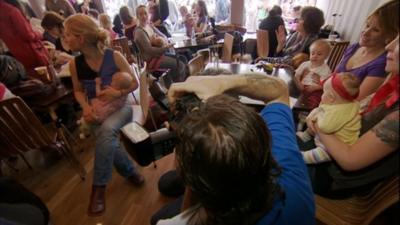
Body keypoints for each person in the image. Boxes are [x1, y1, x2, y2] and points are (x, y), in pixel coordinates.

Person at [154, 71, 315, 224]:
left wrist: (189, 167)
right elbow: (279, 91)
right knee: (165, 183)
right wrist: (221, 81)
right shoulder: (290, 173)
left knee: (157, 217)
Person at [64, 14, 145, 216]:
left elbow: (135, 83)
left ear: (81, 38)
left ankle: (98, 188)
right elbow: (78, 91)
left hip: (122, 108)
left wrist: (117, 93)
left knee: (107, 130)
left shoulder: (114, 56)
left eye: (68, 35)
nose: (65, 40)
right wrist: (84, 106)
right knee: (105, 134)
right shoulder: (75, 64)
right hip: (95, 111)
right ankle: (129, 170)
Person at [304, 32, 399, 199]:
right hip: (330, 154)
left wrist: (318, 122)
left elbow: (349, 160)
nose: (389, 45)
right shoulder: (391, 85)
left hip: (334, 179)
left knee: (272, 148)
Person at [334, 0, 399, 101]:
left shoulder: (382, 63)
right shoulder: (354, 47)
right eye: (367, 25)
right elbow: (333, 77)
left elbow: (355, 102)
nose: (365, 32)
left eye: (375, 30)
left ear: (390, 36)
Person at [297, 72, 361, 164]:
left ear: (331, 97)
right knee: (313, 123)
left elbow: (324, 127)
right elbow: (322, 109)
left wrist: (316, 115)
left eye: (323, 92)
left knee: (321, 154)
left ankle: (302, 158)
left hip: (336, 145)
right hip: (328, 133)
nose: (322, 95)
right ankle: (305, 136)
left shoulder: (340, 112)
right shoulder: (340, 103)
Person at [134, 5, 186, 84]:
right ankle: (174, 85)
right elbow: (150, 50)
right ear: (137, 16)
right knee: (181, 65)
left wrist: (153, 28)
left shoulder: (148, 26)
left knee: (183, 58)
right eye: (140, 14)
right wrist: (165, 48)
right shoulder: (139, 32)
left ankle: (171, 82)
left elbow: (164, 36)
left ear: (148, 14)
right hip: (151, 60)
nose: (144, 16)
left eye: (145, 13)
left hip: (159, 55)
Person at [259, 6, 325, 66]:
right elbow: (279, 57)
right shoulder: (294, 35)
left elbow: (292, 63)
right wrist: (280, 44)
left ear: (309, 23)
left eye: (301, 18)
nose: (297, 20)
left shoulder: (313, 45)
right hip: (281, 69)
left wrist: (265, 59)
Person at [0, 0, 49, 78]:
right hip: (31, 52)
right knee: (45, 79)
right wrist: (39, 34)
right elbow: (28, 35)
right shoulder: (12, 10)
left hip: (16, 53)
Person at [79, 72, 132, 138]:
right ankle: (85, 122)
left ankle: (84, 130)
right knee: (91, 116)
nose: (110, 82)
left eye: (113, 81)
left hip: (100, 112)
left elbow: (98, 94)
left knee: (88, 117)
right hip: (109, 112)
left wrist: (97, 84)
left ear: (117, 85)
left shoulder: (110, 91)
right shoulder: (124, 95)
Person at [294, 39, 332, 109]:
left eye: (319, 54)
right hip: (301, 86)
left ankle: (307, 111)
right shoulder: (305, 64)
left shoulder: (326, 69)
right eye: (312, 53)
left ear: (326, 57)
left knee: (315, 100)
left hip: (315, 90)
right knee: (293, 87)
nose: (315, 56)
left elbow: (325, 84)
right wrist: (299, 82)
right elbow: (297, 74)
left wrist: (315, 87)